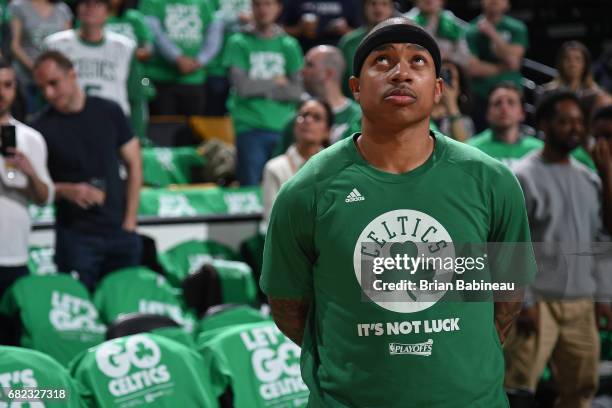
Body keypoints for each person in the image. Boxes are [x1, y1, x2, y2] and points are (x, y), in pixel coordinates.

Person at [261, 17, 536, 407]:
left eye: (417, 62)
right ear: (355, 87)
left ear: (438, 89)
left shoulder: (492, 181)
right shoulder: (305, 192)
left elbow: (508, 293)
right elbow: (289, 307)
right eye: (383, 61)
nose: (400, 73)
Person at [506, 91, 612, 408]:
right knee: (517, 388)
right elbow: (509, 242)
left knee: (580, 390)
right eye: (564, 121)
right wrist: (523, 301)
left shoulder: (590, 179)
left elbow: (601, 239)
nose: (574, 128)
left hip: (580, 302)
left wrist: (603, 296)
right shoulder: (522, 176)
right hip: (538, 300)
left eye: (579, 122)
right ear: (544, 125)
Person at [32, 50, 143, 292]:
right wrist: (65, 190)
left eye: (54, 84)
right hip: (76, 238)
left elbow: (134, 162)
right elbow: (37, 188)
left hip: (120, 232)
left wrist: (130, 221)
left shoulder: (110, 111)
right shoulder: (39, 128)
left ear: (72, 74)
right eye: (42, 88)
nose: (48, 94)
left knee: (125, 307)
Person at [224, 0, 303, 186]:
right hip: (250, 127)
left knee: (286, 189)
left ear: (279, 8)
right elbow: (243, 88)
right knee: (251, 190)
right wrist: (276, 82)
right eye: (257, 5)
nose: (262, 10)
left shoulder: (289, 45)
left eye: (268, 4)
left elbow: (296, 91)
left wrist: (259, 88)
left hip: (285, 128)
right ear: (251, 8)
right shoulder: (238, 42)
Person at [44, 0, 147, 141]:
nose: (90, 8)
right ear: (77, 9)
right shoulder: (56, 45)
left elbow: (136, 97)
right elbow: (44, 93)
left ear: (107, 12)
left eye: (97, 4)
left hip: (113, 128)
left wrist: (138, 137)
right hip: (68, 125)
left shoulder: (125, 47)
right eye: (85, 3)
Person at [0, 59, 52, 298]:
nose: (2, 92)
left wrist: (29, 172)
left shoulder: (31, 139)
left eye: (8, 85)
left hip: (14, 254)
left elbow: (43, 198)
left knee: (11, 333)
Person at [275, 45, 360, 156]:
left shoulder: (358, 118)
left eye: (309, 65)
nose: (301, 71)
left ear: (328, 73)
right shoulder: (296, 120)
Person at [140, 0, 222, 115]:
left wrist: (199, 60)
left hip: (195, 80)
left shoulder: (205, 3)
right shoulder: (152, 2)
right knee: (163, 130)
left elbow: (213, 35)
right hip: (160, 78)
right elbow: (153, 33)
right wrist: (177, 58)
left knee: (194, 129)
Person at [262, 98, 332, 226]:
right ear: (294, 126)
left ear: (327, 132)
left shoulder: (335, 167)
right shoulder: (274, 168)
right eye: (303, 115)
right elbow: (272, 222)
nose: (308, 120)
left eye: (316, 117)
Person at [465, 0, 528, 133]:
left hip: (513, 95)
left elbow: (514, 61)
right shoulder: (470, 30)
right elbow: (474, 68)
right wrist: (504, 67)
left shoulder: (517, 28)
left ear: (507, 4)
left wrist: (492, 34)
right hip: (482, 97)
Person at [9, 0, 72, 114]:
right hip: (26, 79)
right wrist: (36, 69)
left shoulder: (63, 9)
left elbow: (67, 45)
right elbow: (14, 45)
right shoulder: (19, 6)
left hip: (55, 79)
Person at [469, 82, 541, 166]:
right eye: (497, 103)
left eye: (511, 102)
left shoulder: (538, 150)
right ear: (487, 113)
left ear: (522, 113)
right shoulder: (472, 150)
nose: (504, 108)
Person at [539, 41, 610, 120]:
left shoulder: (597, 94)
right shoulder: (547, 92)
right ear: (560, 63)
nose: (572, 63)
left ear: (585, 64)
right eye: (567, 59)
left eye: (577, 59)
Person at [338, 0, 396, 96]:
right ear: (364, 7)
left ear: (391, 8)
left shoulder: (400, 40)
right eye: (373, 3)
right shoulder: (348, 42)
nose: (378, 9)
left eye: (384, 4)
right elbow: (341, 82)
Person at [283, 0, 362, 52]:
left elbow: (362, 32)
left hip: (338, 53)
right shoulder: (296, 2)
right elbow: (281, 30)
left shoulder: (350, 2)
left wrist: (345, 30)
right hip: (306, 52)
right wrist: (300, 29)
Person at [430, 59, 474, 141]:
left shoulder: (465, 122)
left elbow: (463, 148)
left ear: (459, 89)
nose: (443, 81)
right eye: (440, 75)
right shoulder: (420, 114)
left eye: (449, 76)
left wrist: (451, 107)